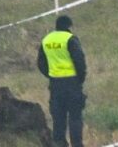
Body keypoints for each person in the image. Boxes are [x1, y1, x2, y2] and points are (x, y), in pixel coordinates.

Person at [37, 14, 88, 147]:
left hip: (55, 84)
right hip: (72, 83)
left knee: (58, 118)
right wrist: (80, 79)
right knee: (75, 117)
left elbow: (40, 62)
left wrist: (50, 74)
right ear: (69, 26)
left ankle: (59, 144)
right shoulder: (70, 39)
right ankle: (77, 144)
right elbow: (79, 61)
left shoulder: (46, 40)